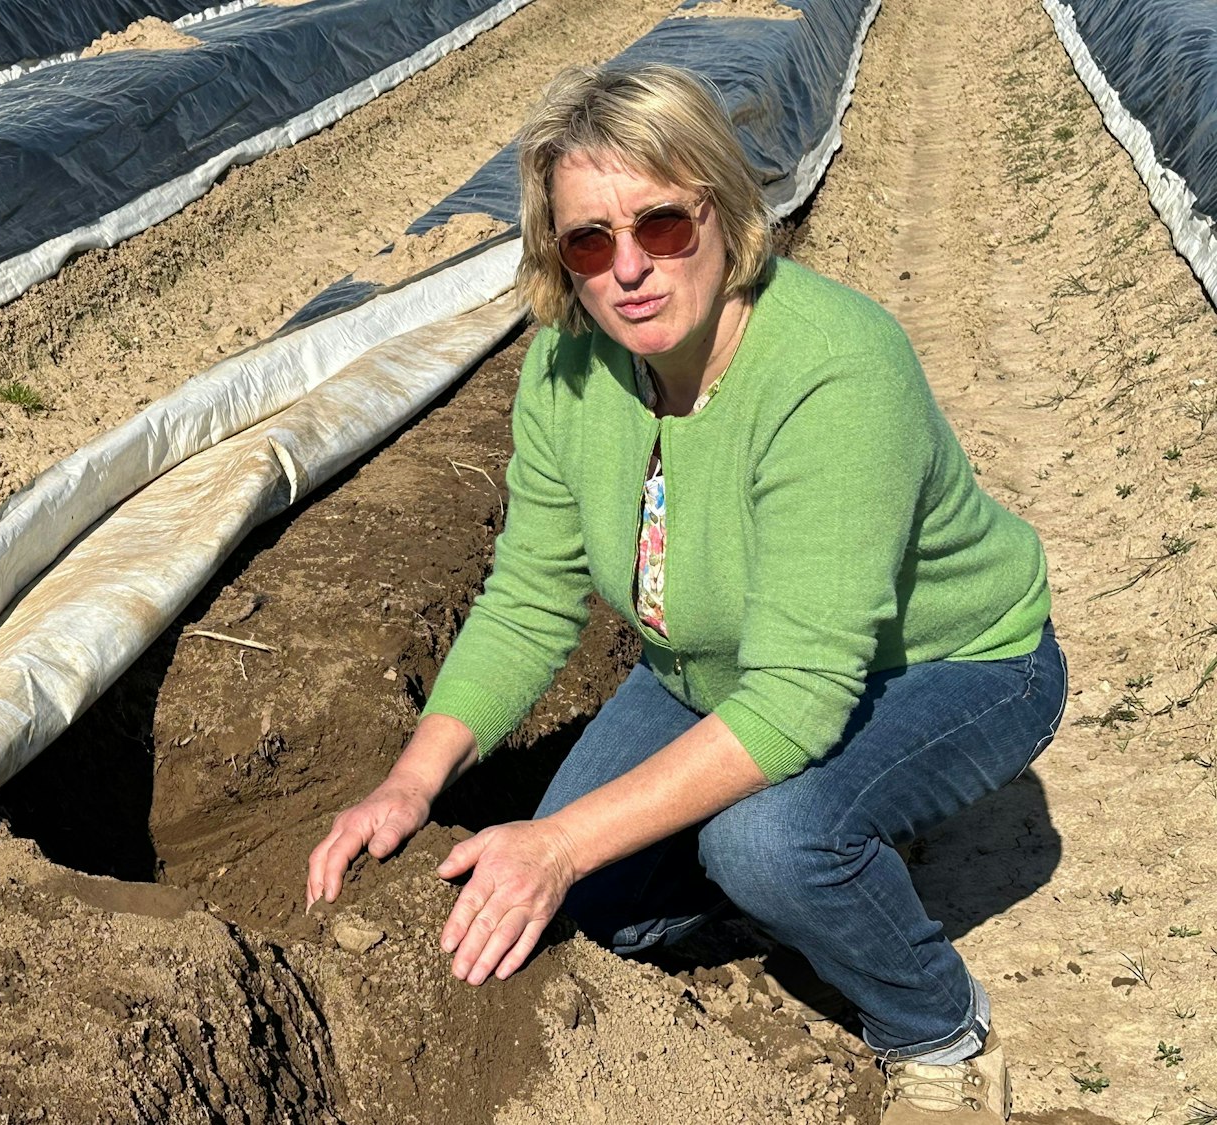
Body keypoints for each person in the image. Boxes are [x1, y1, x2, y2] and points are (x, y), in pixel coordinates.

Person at [304, 63, 1064, 1123]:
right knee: (582, 912)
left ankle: (938, 1030)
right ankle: (806, 882)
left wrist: (559, 840)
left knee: (765, 842)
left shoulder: (831, 370)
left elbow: (799, 693)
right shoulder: (566, 372)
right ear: (557, 261)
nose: (627, 270)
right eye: (586, 242)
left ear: (721, 208)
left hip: (945, 665)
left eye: (659, 226)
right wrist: (409, 781)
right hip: (705, 667)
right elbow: (529, 597)